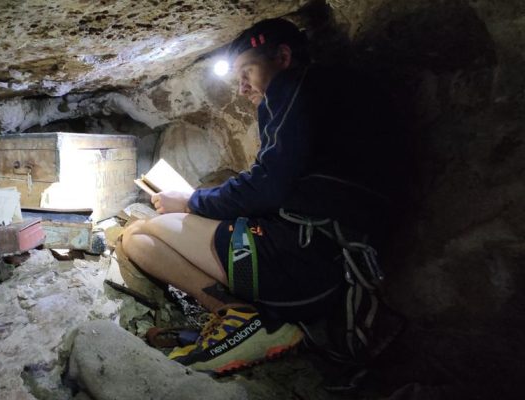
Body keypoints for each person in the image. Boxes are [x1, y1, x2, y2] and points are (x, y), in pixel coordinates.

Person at [120, 18, 395, 374]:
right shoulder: (342, 100)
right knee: (138, 237)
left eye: (246, 71)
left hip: (295, 263)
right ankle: (248, 315)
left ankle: (243, 319)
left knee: (141, 232)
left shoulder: (295, 85)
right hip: (335, 272)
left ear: (282, 56)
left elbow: (267, 184)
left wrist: (190, 200)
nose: (242, 87)